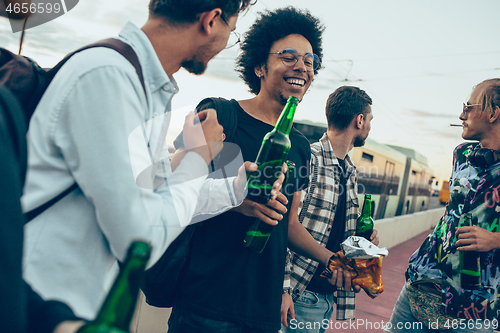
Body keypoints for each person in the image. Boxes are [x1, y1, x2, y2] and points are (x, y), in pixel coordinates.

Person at [21, 0, 256, 321]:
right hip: (38, 309)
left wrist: (235, 186)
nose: (227, 42)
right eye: (233, 30)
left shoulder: (138, 83)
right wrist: (198, 157)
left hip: (67, 308)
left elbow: (156, 191)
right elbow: (139, 240)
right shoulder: (109, 77)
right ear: (212, 20)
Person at [166, 7, 356, 333]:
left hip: (264, 311)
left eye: (310, 62)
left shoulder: (299, 146)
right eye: (288, 56)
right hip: (206, 304)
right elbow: (169, 186)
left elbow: (290, 224)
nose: (302, 66)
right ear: (259, 67)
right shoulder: (220, 113)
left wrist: (332, 259)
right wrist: (234, 198)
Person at [386, 78, 500, 333]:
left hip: (474, 309)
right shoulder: (461, 154)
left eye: (469, 107)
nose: (462, 114)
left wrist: (495, 239)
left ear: (493, 113)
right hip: (420, 284)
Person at [280, 86, 378, 333]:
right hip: (299, 296)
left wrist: (366, 241)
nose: (369, 127)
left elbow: (335, 230)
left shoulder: (350, 170)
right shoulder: (309, 159)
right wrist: (283, 290)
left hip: (327, 298)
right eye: (370, 120)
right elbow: (281, 227)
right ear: (360, 120)